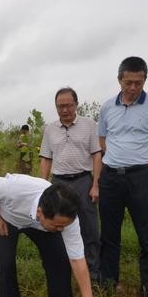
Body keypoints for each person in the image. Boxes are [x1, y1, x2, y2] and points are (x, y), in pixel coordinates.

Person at [0, 174, 106, 297]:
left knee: (60, 261)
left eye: (65, 226)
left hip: (41, 225)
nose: (62, 230)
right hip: (6, 217)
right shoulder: (12, 189)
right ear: (40, 212)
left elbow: (77, 260)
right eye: (58, 226)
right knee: (6, 265)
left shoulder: (66, 217)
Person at [97, 56, 148, 297]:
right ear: (119, 80)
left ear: (144, 80)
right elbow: (102, 139)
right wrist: (115, 158)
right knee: (108, 234)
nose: (133, 88)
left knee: (146, 234)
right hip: (111, 179)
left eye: (138, 83)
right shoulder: (107, 107)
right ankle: (108, 282)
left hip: (141, 179)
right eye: (128, 82)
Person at [40, 87, 102, 281]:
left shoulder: (90, 125)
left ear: (76, 104)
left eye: (68, 105)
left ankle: (92, 272)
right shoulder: (50, 129)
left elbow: (96, 155)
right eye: (60, 106)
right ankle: (64, 270)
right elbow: (46, 158)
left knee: (89, 227)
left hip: (83, 181)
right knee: (58, 225)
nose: (64, 110)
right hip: (59, 183)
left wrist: (95, 184)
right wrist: (43, 185)